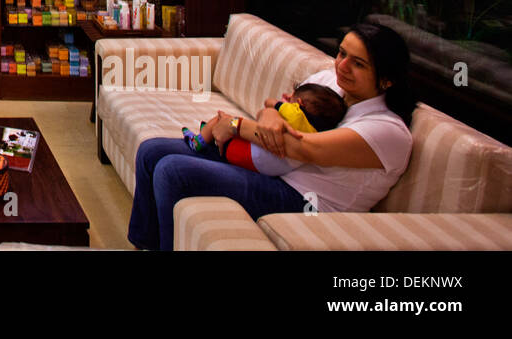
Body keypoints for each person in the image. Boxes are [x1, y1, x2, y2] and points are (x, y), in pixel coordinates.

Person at [127, 22, 414, 250]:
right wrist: (273, 116)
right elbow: (269, 108)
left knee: (173, 171)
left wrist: (236, 125)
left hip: (303, 200)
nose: (341, 66)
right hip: (271, 167)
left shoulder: (387, 131)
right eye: (341, 53)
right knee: (152, 151)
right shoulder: (330, 82)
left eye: (358, 64)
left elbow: (303, 149)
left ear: (387, 80)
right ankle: (145, 243)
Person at [182, 82, 346, 175]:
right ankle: (209, 134)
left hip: (243, 154)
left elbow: (269, 102)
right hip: (264, 167)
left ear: (299, 104)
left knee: (221, 119)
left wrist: (280, 104)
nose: (286, 98)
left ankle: (199, 140)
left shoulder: (294, 113)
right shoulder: (317, 132)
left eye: (290, 96)